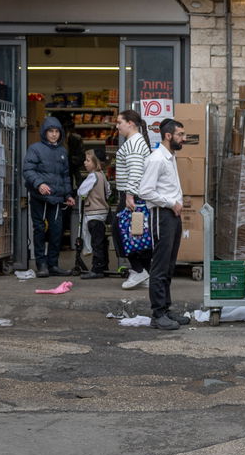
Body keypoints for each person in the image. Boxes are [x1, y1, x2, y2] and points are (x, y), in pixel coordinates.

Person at [138, 118, 189, 331]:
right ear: (168, 136)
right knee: (159, 265)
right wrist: (171, 203)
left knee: (169, 265)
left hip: (172, 215)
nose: (183, 138)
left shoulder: (170, 157)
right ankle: (158, 313)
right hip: (162, 214)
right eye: (180, 135)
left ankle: (166, 309)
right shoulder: (157, 159)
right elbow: (145, 191)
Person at [23, 115, 75, 278]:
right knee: (40, 230)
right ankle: (42, 265)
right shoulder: (35, 149)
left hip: (58, 199)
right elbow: (28, 170)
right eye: (50, 131)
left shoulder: (62, 151)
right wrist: (39, 184)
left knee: (56, 232)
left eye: (56, 131)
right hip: (40, 198)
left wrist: (68, 194)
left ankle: (53, 264)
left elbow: (66, 175)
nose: (54, 134)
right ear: (44, 132)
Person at [114, 110, 153, 289]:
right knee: (138, 234)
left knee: (122, 233)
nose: (117, 126)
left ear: (130, 123)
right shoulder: (137, 142)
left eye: (119, 122)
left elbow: (136, 170)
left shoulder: (134, 144)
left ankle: (138, 271)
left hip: (131, 196)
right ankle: (146, 274)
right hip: (135, 195)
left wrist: (129, 195)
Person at [77, 148, 111, 280]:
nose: (85, 163)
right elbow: (108, 192)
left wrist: (86, 196)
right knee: (101, 241)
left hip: (93, 213)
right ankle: (104, 266)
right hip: (102, 212)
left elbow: (81, 192)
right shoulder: (102, 175)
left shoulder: (92, 176)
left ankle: (97, 269)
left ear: (95, 162)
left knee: (96, 242)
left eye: (88, 160)